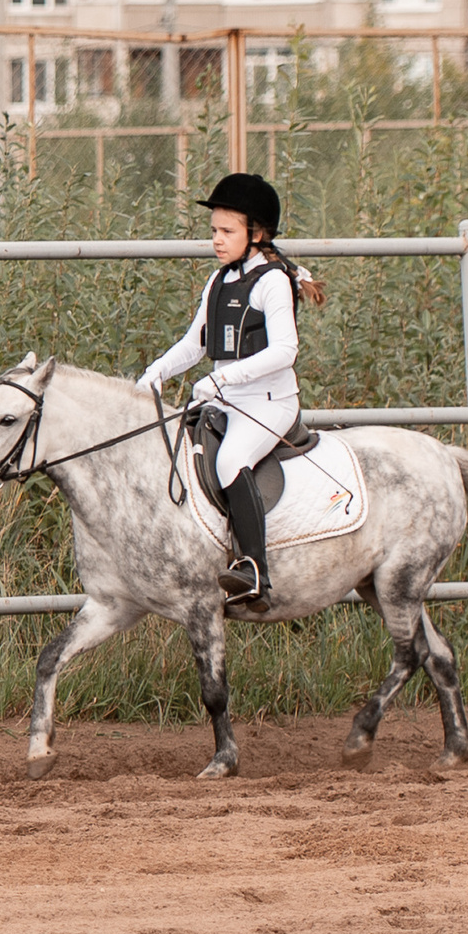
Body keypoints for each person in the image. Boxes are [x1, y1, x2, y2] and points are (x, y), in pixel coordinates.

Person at [137, 171, 327, 609]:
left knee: (230, 461)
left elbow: (285, 350)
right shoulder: (219, 280)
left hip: (268, 405)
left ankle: (254, 569)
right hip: (225, 401)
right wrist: (155, 373)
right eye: (214, 232)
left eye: (227, 231)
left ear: (256, 233)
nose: (217, 241)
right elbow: (196, 343)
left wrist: (223, 377)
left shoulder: (273, 281)